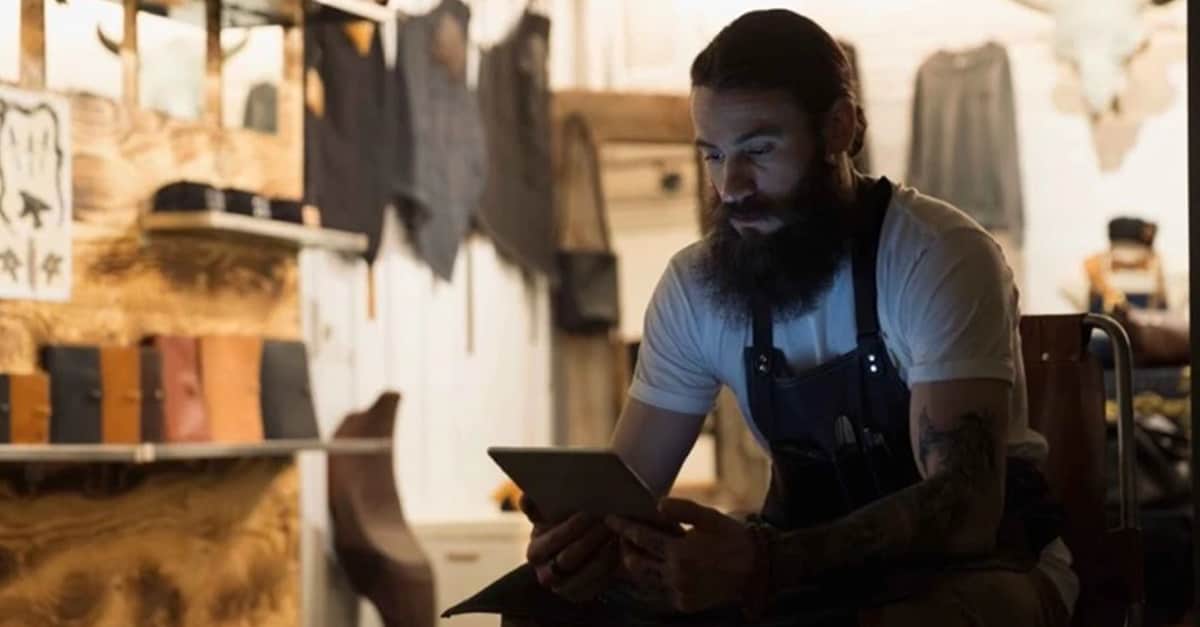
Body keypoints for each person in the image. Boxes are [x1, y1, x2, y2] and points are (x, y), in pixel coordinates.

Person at [520, 9, 1076, 626]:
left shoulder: (936, 254)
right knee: (545, 612)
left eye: (759, 149)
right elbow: (626, 494)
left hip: (982, 569)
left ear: (839, 127)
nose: (731, 186)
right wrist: (577, 547)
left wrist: (764, 563)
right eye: (712, 155)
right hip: (795, 569)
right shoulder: (695, 286)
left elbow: (966, 511)